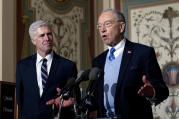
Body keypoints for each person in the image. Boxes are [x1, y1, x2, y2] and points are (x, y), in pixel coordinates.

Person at [89, 9, 169, 119]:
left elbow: (163, 90)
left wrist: (152, 92)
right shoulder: (98, 61)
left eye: (107, 24)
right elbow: (96, 98)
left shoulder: (143, 53)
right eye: (99, 26)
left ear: (121, 27)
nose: (102, 29)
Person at [16, 20, 79, 119]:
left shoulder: (68, 66)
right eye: (42, 35)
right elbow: (20, 100)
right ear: (33, 41)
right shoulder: (22, 66)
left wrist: (65, 102)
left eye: (49, 34)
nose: (47, 38)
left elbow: (75, 99)